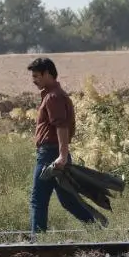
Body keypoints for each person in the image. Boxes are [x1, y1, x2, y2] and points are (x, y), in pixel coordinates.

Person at [27, 56, 101, 236]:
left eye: (36, 76)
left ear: (47, 74)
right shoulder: (54, 95)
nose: (34, 80)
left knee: (38, 199)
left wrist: (62, 155)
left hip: (50, 155)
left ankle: (38, 244)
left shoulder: (53, 97)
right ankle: (100, 230)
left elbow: (61, 126)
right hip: (54, 153)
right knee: (68, 200)